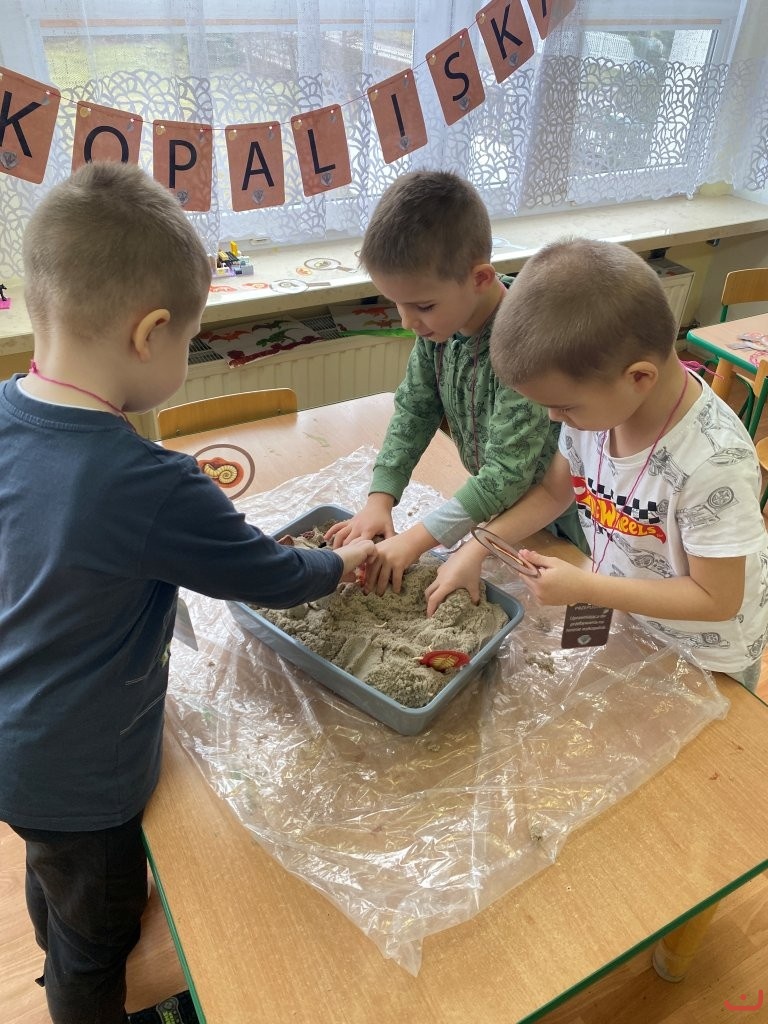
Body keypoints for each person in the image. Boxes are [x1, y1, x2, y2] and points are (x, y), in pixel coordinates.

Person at [0, 161, 373, 1024]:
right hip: (81, 773)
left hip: (18, 742)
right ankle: (75, 986)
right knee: (98, 935)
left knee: (55, 873)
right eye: (192, 343)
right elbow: (273, 576)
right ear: (152, 333)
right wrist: (344, 562)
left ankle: (58, 938)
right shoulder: (150, 483)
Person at [425, 236, 768, 688]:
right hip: (629, 611)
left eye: (564, 407)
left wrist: (589, 588)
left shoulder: (713, 461)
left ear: (639, 377)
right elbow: (554, 492)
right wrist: (478, 547)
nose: (554, 418)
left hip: (708, 656)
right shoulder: (595, 411)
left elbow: (716, 598)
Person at [325, 170, 585, 593]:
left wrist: (416, 540)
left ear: (480, 278)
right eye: (397, 304)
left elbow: (509, 474)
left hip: (560, 518)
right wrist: (380, 497)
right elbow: (415, 408)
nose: (408, 322)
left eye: (423, 306)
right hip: (496, 508)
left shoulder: (525, 342)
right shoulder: (440, 329)